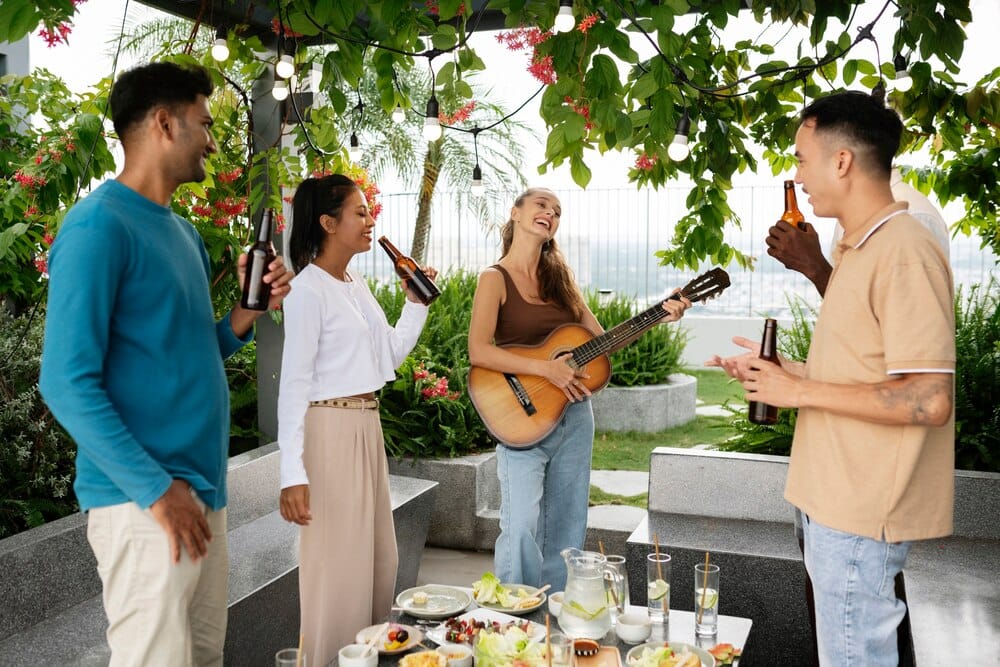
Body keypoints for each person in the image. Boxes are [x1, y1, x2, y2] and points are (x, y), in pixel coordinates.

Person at [39, 61, 292, 665]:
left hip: (200, 493)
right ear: (162, 123)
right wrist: (158, 491)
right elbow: (66, 382)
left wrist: (245, 315)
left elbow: (190, 349)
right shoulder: (97, 227)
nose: (212, 140)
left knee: (202, 657)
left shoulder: (183, 233)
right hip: (142, 501)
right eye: (204, 124)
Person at [708, 91, 955, 666]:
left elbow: (929, 398)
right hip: (834, 499)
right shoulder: (858, 249)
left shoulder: (903, 249)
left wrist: (796, 391)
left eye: (800, 158)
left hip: (862, 508)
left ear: (841, 161)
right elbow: (862, 373)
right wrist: (780, 373)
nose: (797, 175)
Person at [467, 187, 690, 590]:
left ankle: (551, 618)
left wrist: (660, 313)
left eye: (557, 212)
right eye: (541, 205)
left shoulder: (561, 283)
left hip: (573, 418)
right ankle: (513, 618)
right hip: (520, 418)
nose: (550, 214)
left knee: (567, 526)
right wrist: (544, 370)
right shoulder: (493, 278)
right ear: (515, 213)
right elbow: (479, 350)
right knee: (519, 525)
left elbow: (604, 341)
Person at [277, 174, 436, 665]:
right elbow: (294, 385)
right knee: (339, 573)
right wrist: (292, 473)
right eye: (360, 212)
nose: (371, 221)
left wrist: (415, 306)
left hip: (366, 427)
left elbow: (386, 357)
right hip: (329, 431)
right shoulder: (308, 290)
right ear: (328, 223)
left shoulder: (354, 283)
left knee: (378, 563)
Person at [765, 167, 949, 296]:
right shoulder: (853, 215)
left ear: (841, 161)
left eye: (804, 161)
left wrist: (815, 266)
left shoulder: (911, 219)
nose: (798, 178)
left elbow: (906, 331)